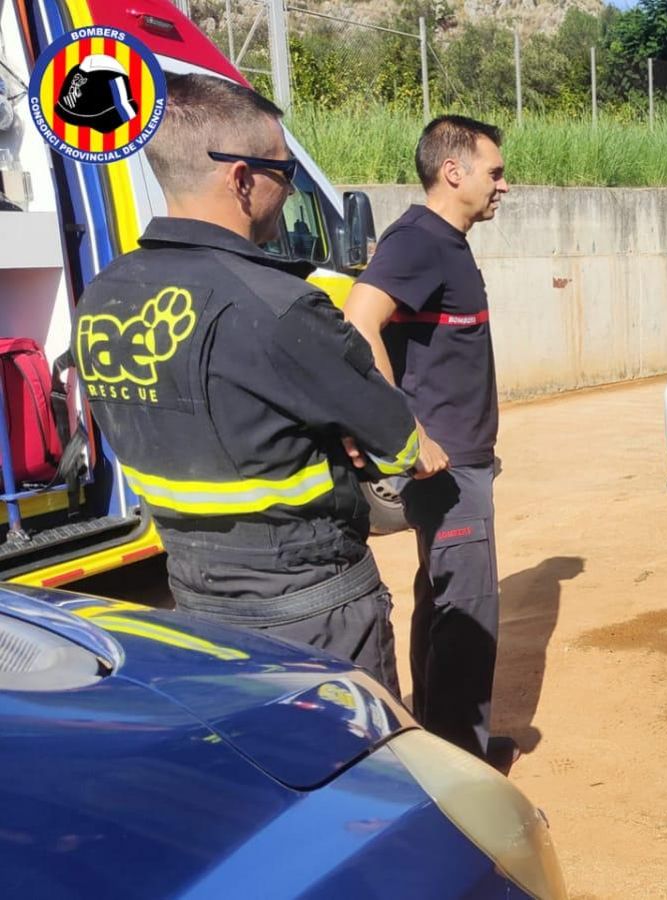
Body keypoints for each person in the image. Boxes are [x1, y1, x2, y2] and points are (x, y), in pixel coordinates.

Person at [72, 74, 424, 692]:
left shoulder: (103, 294)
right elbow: (401, 444)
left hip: (195, 607)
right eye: (285, 174)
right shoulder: (282, 307)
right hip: (314, 616)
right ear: (241, 179)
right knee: (350, 750)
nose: (286, 192)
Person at [343, 116, 512, 770]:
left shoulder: (447, 242)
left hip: (462, 461)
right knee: (467, 618)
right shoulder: (419, 240)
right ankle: (461, 769)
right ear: (453, 171)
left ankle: (439, 743)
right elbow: (360, 321)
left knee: (442, 605)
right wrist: (406, 432)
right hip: (445, 470)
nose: (503, 185)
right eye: (494, 172)